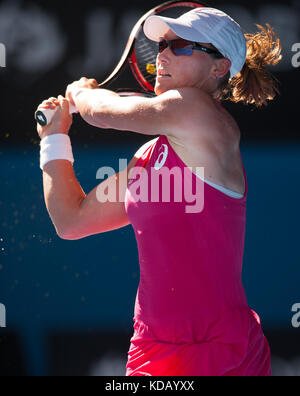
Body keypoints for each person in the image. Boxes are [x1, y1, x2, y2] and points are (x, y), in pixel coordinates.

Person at [36, 8, 282, 376]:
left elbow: (103, 111)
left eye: (181, 45)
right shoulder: (148, 158)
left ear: (219, 68)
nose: (162, 54)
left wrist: (82, 94)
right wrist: (53, 139)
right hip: (150, 351)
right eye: (163, 44)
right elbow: (70, 220)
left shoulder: (200, 113)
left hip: (220, 352)